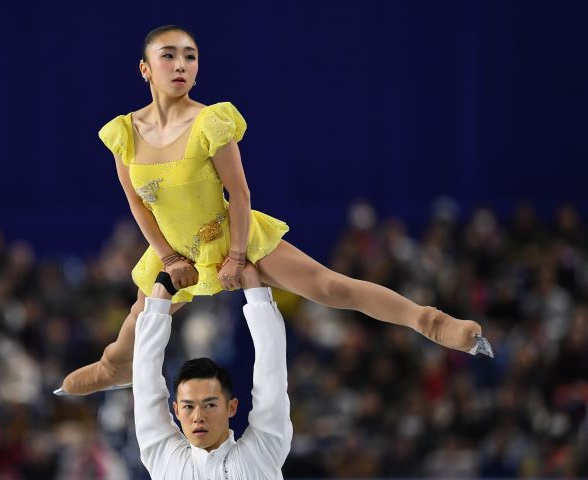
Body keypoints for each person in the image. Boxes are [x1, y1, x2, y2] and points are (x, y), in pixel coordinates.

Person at [55, 24, 491, 396]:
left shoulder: (210, 122)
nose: (181, 64)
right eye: (168, 56)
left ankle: (430, 321)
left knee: (329, 287)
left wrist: (236, 256)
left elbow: (240, 194)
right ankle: (113, 370)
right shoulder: (124, 133)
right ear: (145, 69)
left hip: (231, 234)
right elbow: (137, 202)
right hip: (173, 252)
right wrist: (168, 258)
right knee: (129, 340)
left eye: (190, 56)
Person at [132, 263, 291, 479]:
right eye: (188, 406)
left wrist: (163, 291)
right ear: (176, 410)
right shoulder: (166, 459)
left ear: (231, 407)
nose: (198, 417)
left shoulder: (261, 454)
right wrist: (254, 292)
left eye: (209, 404)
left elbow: (272, 376)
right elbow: (145, 386)